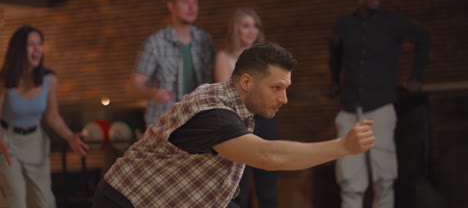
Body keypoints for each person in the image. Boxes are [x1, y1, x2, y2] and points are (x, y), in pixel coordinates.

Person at [93, 43, 375, 208]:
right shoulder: (214, 114)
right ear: (247, 82)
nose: (284, 98)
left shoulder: (233, 104)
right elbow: (269, 157)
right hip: (124, 201)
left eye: (286, 88)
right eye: (276, 88)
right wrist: (343, 146)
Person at [328, 0, 430, 208]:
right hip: (350, 108)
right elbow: (335, 54)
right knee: (350, 179)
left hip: (380, 108)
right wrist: (333, 81)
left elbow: (423, 39)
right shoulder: (344, 23)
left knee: (384, 178)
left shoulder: (392, 23)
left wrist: (415, 77)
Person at [0, 26, 89, 208]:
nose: (37, 49)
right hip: (6, 142)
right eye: (31, 45)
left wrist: (70, 136)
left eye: (39, 44)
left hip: (35, 141)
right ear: (18, 49)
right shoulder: (4, 79)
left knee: (44, 202)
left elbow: (52, 116)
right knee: (15, 199)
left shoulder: (49, 79)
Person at [215, 8, 278, 208]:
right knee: (239, 189)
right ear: (235, 29)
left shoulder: (266, 57)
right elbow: (229, 93)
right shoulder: (223, 56)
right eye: (245, 26)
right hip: (237, 125)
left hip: (264, 121)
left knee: (268, 189)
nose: (251, 31)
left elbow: (274, 92)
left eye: (254, 26)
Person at [130, 0, 215, 126]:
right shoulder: (155, 43)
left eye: (195, 2)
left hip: (200, 121)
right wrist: (153, 93)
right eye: (185, 2)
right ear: (171, 6)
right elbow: (135, 84)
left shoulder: (205, 40)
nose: (191, 7)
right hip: (165, 124)